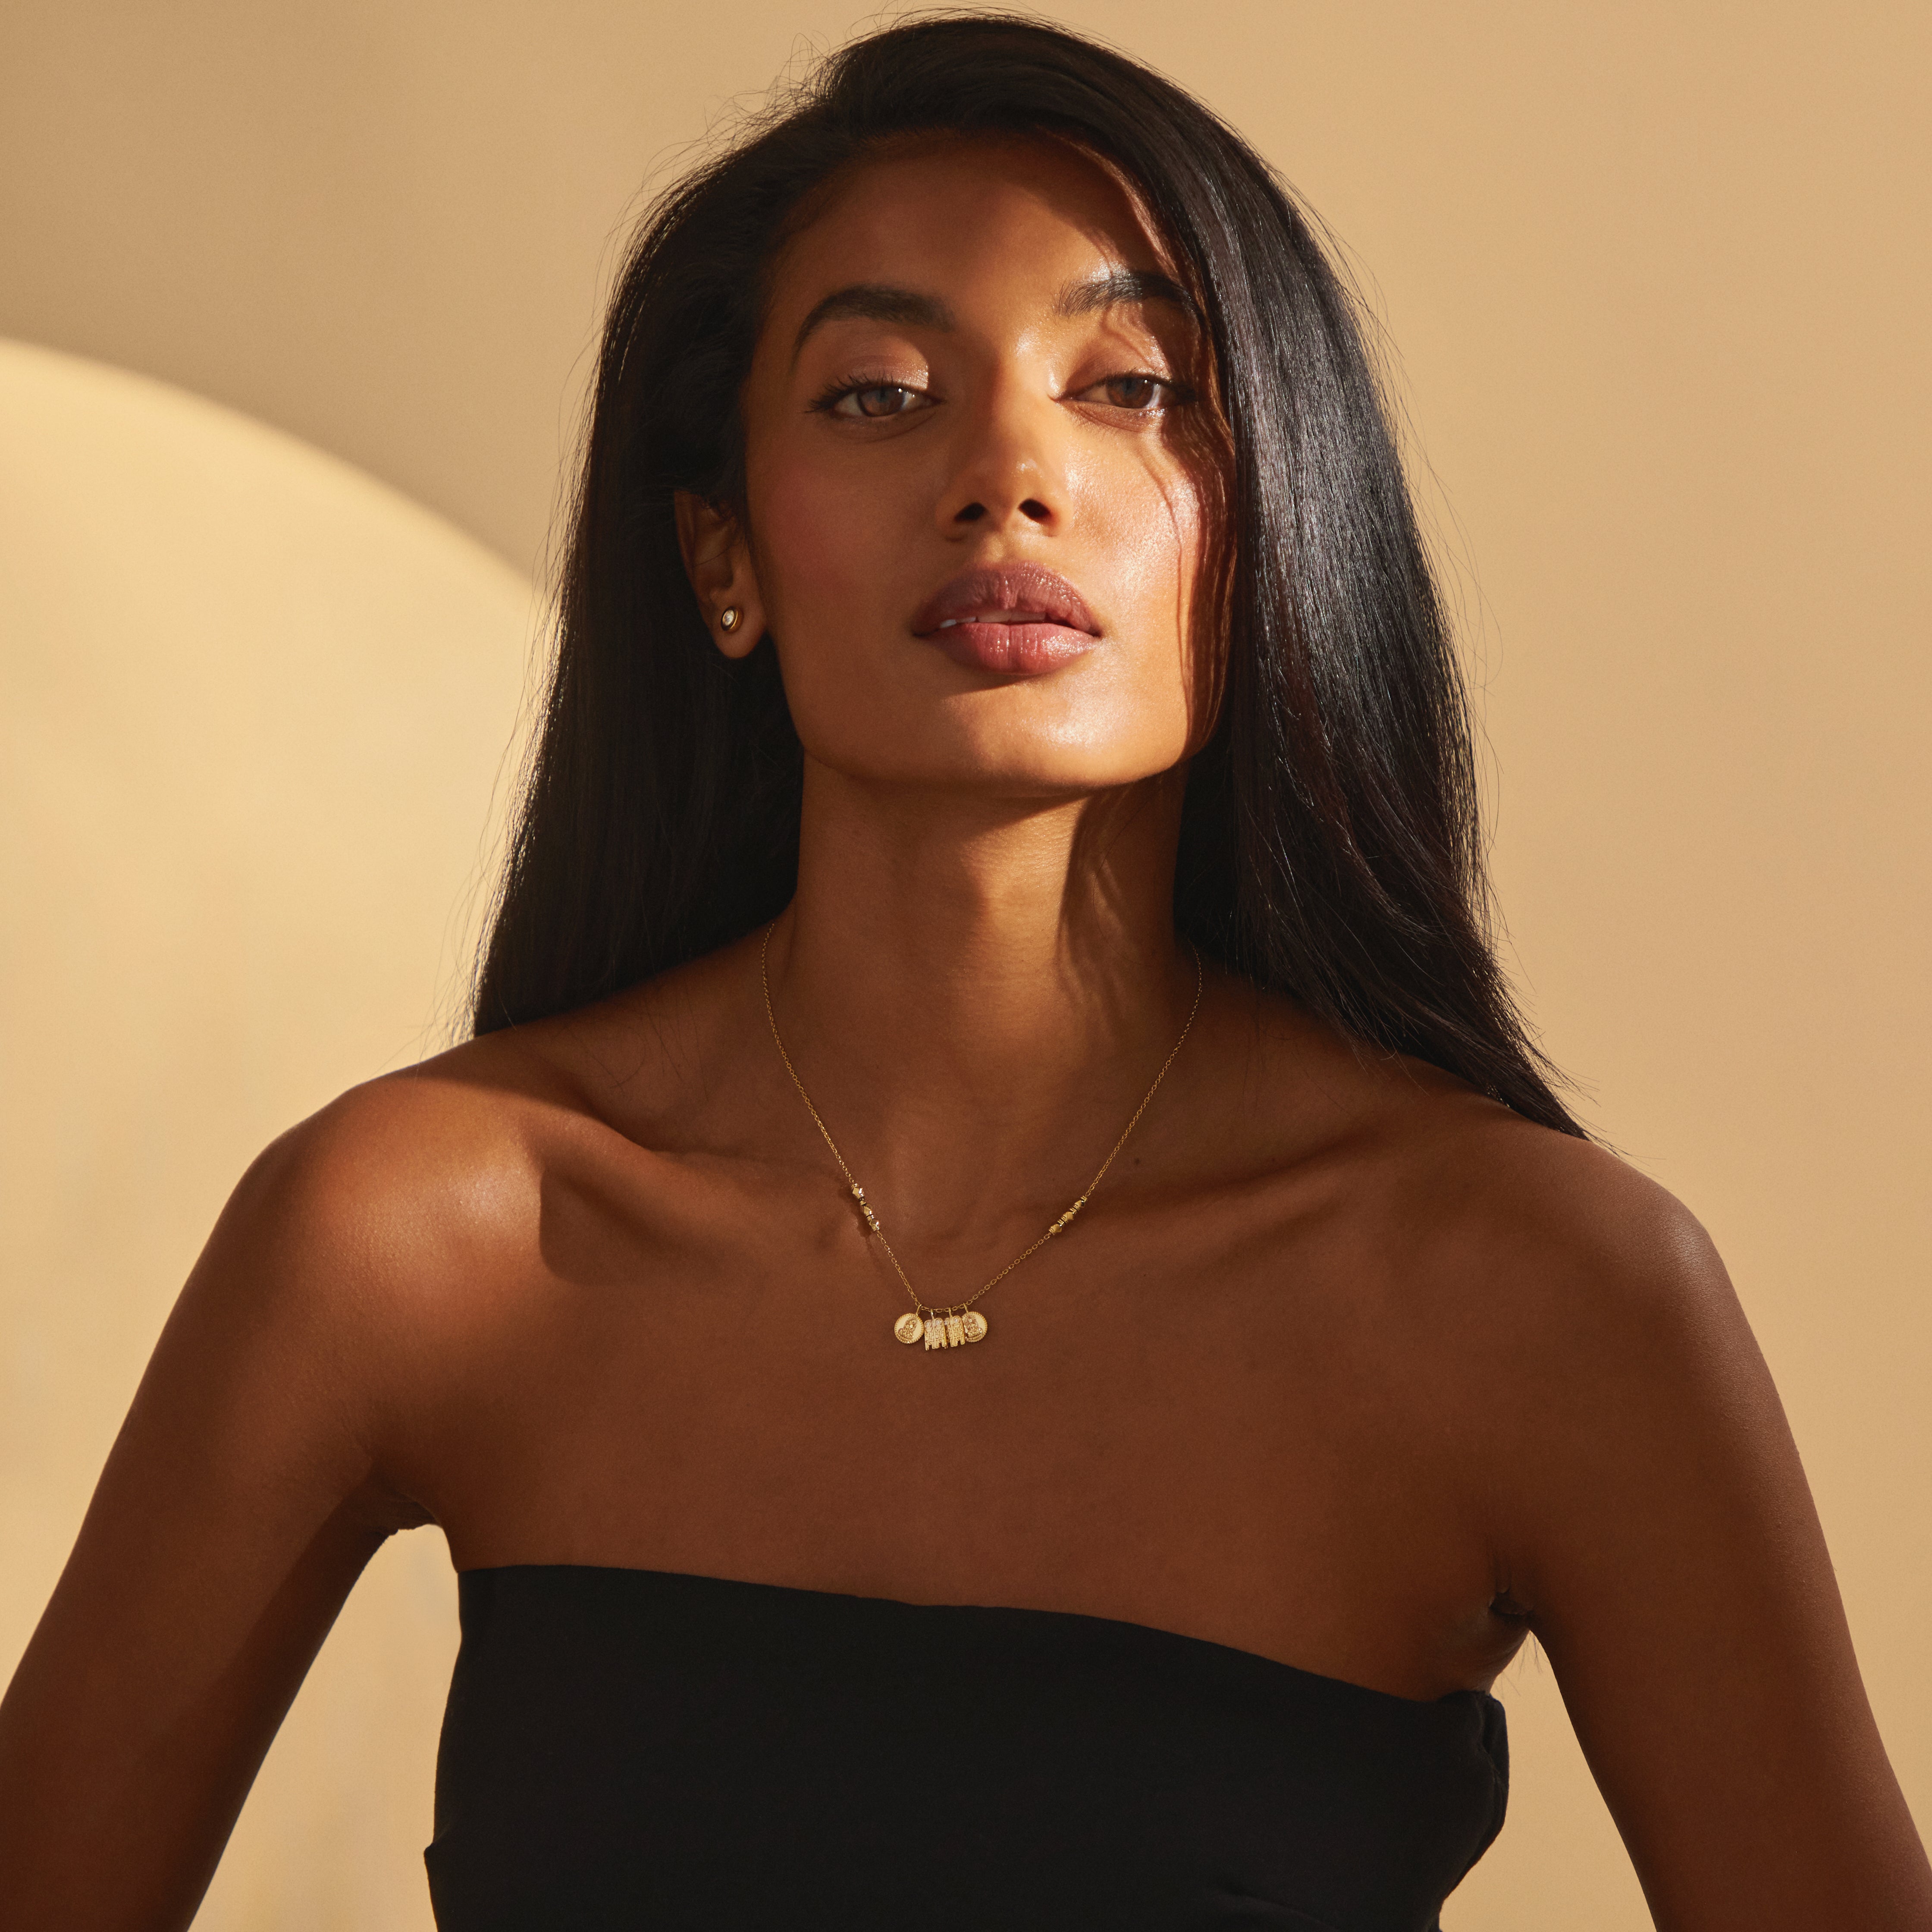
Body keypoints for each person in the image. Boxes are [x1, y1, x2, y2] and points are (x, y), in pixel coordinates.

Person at [3, 15, 1927, 1929]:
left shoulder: (1540, 1298)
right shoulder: (424, 1229)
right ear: (720, 559)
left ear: (1265, 535)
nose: (1008, 474)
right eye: (875, 393)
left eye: (1134, 385)